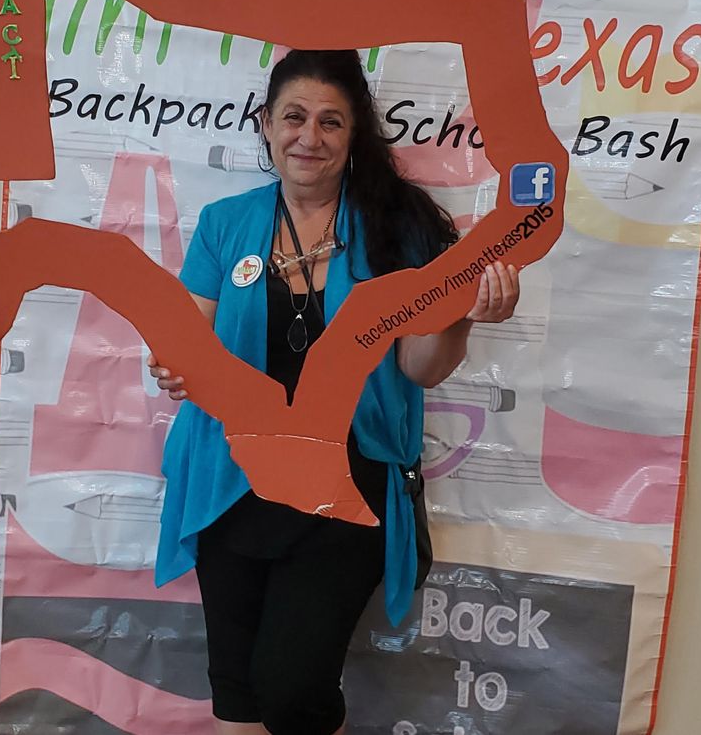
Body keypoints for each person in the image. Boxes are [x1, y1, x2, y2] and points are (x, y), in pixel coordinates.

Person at [148, 49, 521, 735]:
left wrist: (462, 314)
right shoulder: (226, 224)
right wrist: (173, 369)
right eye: (294, 117)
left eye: (330, 121)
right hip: (230, 480)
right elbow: (187, 346)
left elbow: (420, 368)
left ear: (354, 136)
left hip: (346, 488)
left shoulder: (397, 230)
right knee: (237, 695)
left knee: (293, 692)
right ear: (266, 124)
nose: (309, 137)